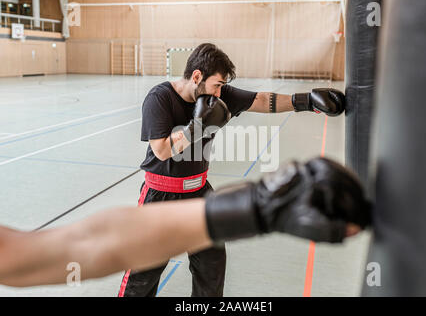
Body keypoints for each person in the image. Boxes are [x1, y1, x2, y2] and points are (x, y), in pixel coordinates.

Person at [122, 43, 347, 297]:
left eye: (222, 86)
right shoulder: (159, 98)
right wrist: (195, 128)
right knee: (144, 274)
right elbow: (162, 150)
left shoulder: (216, 95)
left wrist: (306, 101)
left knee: (212, 265)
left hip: (199, 193)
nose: (220, 93)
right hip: (160, 196)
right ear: (197, 77)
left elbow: (261, 100)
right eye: (217, 84)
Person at [0, 157, 371, 288]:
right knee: (141, 279)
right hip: (163, 191)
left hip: (194, 194)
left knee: (209, 270)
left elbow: (76, 248)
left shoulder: (220, 93)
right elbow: (73, 251)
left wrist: (257, 207)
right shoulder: (161, 99)